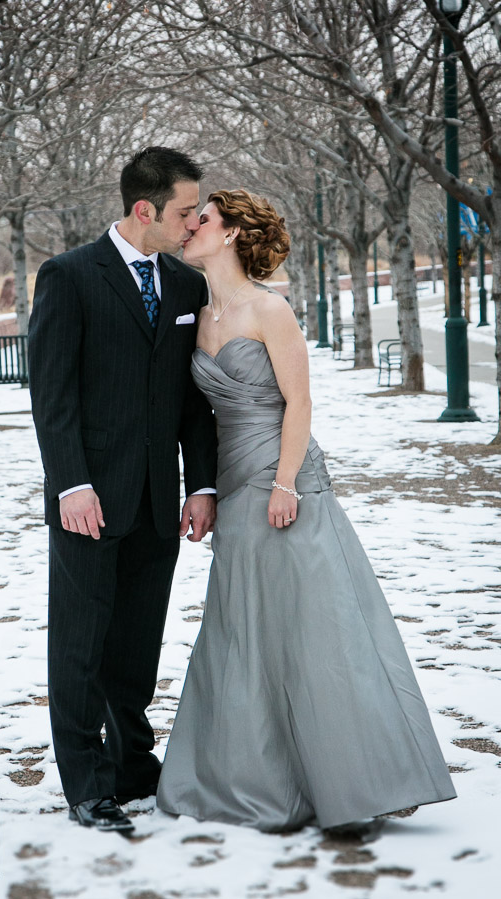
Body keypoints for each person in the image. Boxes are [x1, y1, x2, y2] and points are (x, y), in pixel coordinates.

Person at [156, 189, 457, 833]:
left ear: (232, 233)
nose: (189, 228)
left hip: (285, 480)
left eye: (201, 219)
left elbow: (300, 403)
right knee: (245, 627)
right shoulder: (199, 314)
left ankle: (350, 782)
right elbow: (198, 419)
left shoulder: (271, 309)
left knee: (315, 629)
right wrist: (203, 487)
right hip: (233, 485)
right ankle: (258, 777)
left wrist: (286, 483)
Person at [28, 147, 218, 835]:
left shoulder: (186, 287)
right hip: (87, 500)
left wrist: (201, 484)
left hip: (157, 503)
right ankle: (86, 782)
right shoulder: (69, 276)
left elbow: (194, 405)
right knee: (80, 646)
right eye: (184, 211)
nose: (194, 222)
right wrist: (70, 484)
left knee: (136, 646)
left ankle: (134, 765)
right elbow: (52, 396)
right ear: (145, 210)